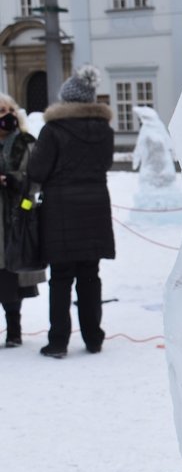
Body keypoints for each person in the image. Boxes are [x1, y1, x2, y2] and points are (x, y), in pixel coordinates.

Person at [27, 65, 115, 358]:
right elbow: (104, 164)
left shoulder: (52, 130)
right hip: (95, 209)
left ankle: (58, 341)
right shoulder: (105, 130)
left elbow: (37, 170)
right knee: (91, 274)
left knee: (61, 277)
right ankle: (93, 338)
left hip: (61, 211)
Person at [0, 93, 45, 348]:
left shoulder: (27, 142)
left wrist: (14, 181)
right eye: (0, 111)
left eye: (8, 109)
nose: (5, 115)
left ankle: (14, 330)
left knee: (11, 275)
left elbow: (36, 178)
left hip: (17, 216)